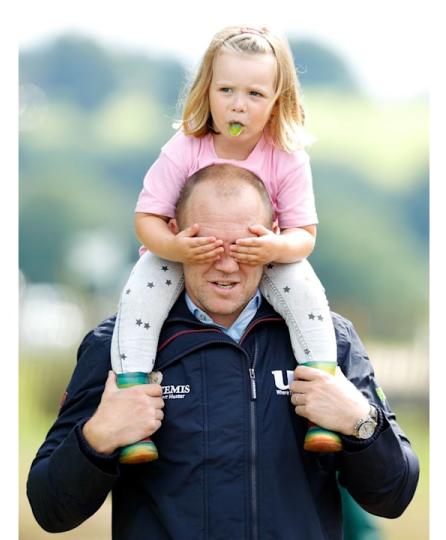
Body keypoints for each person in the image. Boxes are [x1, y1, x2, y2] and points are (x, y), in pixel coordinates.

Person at [27, 164, 419, 539]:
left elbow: (394, 494)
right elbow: (51, 509)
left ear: (273, 239)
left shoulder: (331, 340)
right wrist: (98, 437)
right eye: (207, 246)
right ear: (175, 236)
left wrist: (360, 422)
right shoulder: (116, 346)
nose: (228, 265)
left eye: (245, 246)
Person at [112, 24, 341, 462]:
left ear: (278, 100)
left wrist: (276, 249)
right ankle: (132, 404)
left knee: (309, 293)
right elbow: (146, 218)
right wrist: (175, 247)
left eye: (255, 94)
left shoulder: (286, 157)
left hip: (261, 257)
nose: (239, 105)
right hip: (183, 254)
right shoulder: (184, 148)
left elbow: (303, 235)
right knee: (138, 297)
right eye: (227, 90)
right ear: (207, 92)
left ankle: (320, 400)